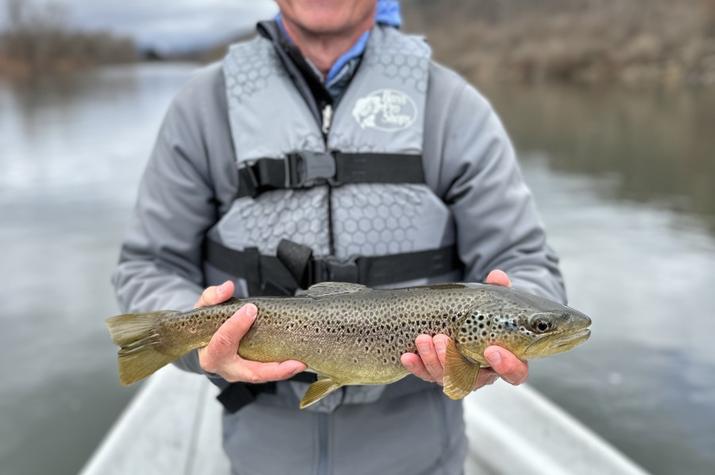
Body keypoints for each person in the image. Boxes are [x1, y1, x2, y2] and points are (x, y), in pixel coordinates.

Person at [112, 1, 565, 473]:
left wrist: (510, 332)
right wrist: (199, 347)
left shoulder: (453, 105)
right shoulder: (200, 105)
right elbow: (148, 266)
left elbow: (527, 261)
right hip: (262, 451)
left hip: (418, 452)